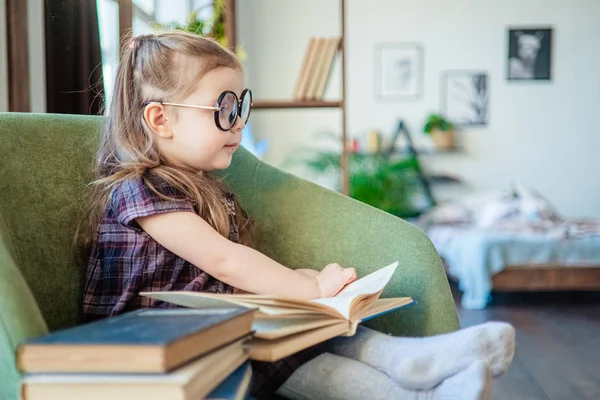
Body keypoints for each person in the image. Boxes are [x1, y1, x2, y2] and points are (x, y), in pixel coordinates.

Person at [77, 31, 515, 400]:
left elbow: (224, 275)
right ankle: (414, 392)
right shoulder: (141, 190)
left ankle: (410, 361)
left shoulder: (205, 187)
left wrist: (299, 288)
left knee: (310, 328)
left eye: (241, 107)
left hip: (209, 325)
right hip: (152, 350)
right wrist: (306, 287)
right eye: (225, 109)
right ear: (160, 119)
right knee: (283, 352)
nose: (239, 124)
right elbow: (224, 261)